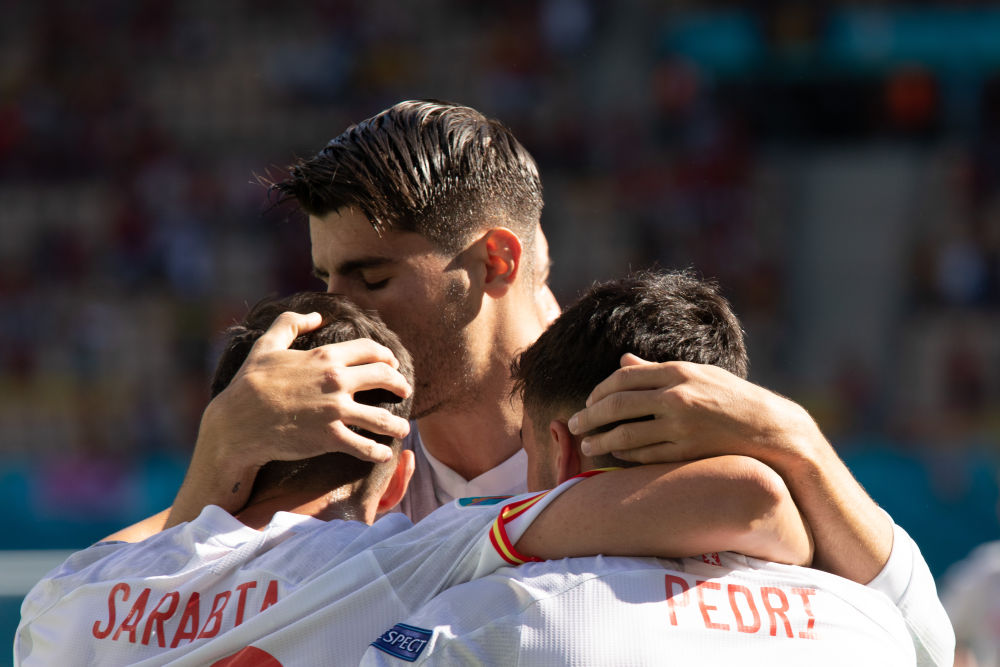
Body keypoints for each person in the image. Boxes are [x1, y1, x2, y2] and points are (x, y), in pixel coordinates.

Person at [119, 100, 942, 652]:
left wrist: (795, 439)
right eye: (326, 279)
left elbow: (923, 644)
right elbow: (111, 622)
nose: (340, 312)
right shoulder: (347, 459)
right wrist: (216, 455)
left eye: (371, 278)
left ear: (496, 261)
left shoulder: (652, 410)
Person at [15, 291, 812, 666]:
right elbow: (746, 500)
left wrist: (215, 452)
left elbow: (160, 545)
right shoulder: (406, 564)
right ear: (399, 478)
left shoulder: (62, 603)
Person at [362, 271, 949, 666]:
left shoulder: (481, 625)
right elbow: (933, 641)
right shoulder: (872, 630)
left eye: (528, 449)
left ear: (561, 450)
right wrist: (793, 438)